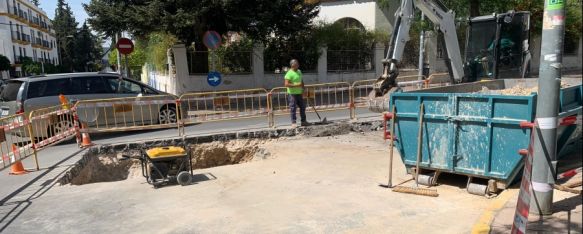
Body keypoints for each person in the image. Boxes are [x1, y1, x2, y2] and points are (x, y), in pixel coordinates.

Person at [284, 59, 307, 128]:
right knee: (293, 108)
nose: (298, 66)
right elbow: (286, 84)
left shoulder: (299, 71)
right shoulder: (289, 73)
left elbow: (301, 80)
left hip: (299, 93)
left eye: (298, 64)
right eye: (296, 65)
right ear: (292, 65)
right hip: (292, 94)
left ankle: (304, 121)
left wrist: (303, 88)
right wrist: (297, 85)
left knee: (303, 107)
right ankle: (293, 122)